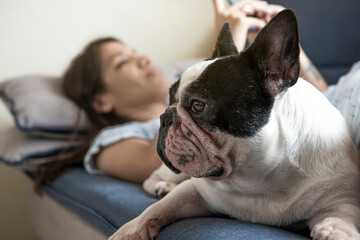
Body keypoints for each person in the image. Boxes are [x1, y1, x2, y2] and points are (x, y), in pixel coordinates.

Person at [35, 0, 344, 191]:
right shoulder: (111, 142)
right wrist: (228, 34)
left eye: (135, 52)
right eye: (123, 62)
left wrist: (287, 50)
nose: (143, 59)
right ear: (102, 100)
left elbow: (325, 97)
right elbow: (160, 159)